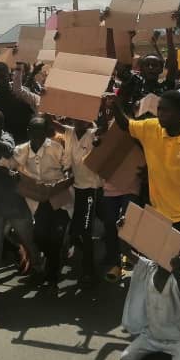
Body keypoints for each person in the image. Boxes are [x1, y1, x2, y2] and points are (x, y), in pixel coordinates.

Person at [110, 90, 180, 300]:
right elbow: (126, 124)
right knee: (164, 263)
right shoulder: (150, 128)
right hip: (161, 214)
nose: (160, 114)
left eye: (166, 111)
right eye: (159, 109)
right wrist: (114, 105)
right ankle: (170, 308)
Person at [0, 113, 43, 287]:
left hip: (15, 200)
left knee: (28, 238)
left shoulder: (5, 136)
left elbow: (8, 149)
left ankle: (38, 267)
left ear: (0, 125)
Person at [5, 116, 72, 285]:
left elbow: (68, 165)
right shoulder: (21, 151)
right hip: (38, 200)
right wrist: (11, 172)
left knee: (56, 236)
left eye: (41, 133)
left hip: (58, 197)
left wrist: (65, 174)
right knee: (40, 237)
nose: (38, 137)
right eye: (34, 132)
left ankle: (52, 275)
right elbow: (6, 164)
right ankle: (52, 263)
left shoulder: (56, 148)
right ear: (28, 132)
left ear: (46, 133)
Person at [120, 257, 180, 360]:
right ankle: (154, 349)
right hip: (151, 336)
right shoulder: (149, 268)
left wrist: (175, 270)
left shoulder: (176, 279)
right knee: (126, 358)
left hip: (176, 339)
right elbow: (127, 252)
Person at [61, 118, 103, 287]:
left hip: (90, 189)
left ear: (88, 123)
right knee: (76, 226)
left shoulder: (93, 135)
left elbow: (105, 129)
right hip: (76, 187)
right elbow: (51, 122)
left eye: (83, 120)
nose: (79, 122)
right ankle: (79, 254)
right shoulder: (69, 132)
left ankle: (88, 270)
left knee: (86, 230)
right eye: (76, 119)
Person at [0, 62, 40, 144]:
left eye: (1, 76)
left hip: (25, 141)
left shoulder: (21, 92)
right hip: (6, 143)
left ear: (8, 75)